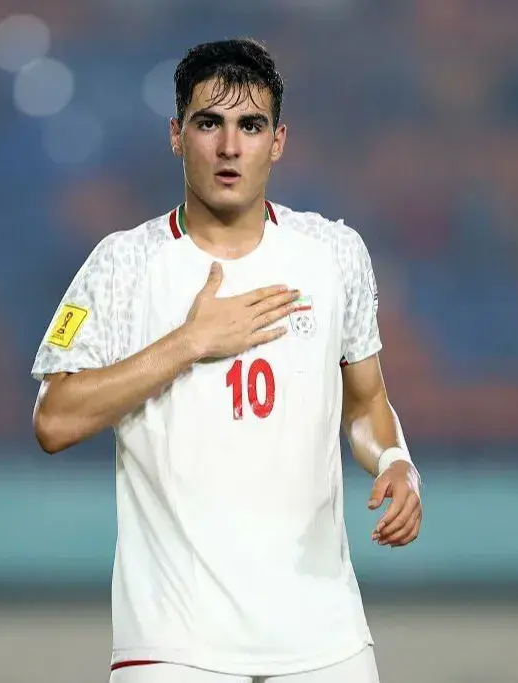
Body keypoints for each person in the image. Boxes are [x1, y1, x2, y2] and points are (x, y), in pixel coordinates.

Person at [31, 38, 422, 683]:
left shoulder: (335, 254)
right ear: (176, 136)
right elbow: (54, 419)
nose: (230, 146)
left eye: (251, 125)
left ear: (279, 141)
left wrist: (394, 460)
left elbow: (366, 403)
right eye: (209, 123)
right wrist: (188, 343)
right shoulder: (119, 265)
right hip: (174, 644)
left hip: (323, 636)